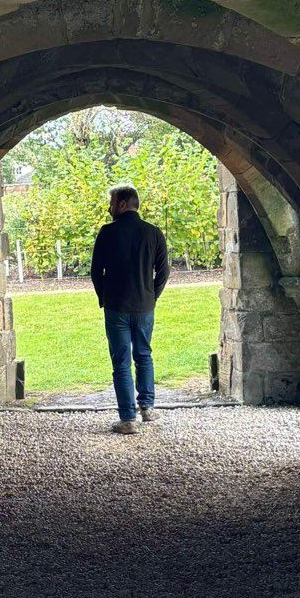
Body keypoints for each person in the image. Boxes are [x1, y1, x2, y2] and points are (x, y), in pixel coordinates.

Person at [90, 182, 170, 435]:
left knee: (121, 362)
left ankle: (127, 419)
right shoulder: (153, 232)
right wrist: (151, 296)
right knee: (144, 354)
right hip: (145, 306)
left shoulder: (107, 232)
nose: (109, 207)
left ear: (122, 204)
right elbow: (164, 271)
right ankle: (147, 407)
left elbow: (95, 272)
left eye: (111, 202)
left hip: (116, 307)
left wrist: (104, 296)